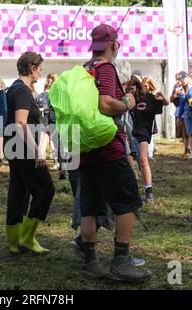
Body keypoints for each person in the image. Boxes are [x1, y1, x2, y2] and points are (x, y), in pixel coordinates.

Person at [77, 24, 152, 283]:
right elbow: (106, 103)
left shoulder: (85, 69)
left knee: (89, 206)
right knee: (127, 201)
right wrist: (127, 103)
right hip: (108, 147)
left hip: (84, 148)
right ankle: (121, 262)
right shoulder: (105, 68)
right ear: (114, 44)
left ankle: (91, 263)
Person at [4, 52, 55, 255]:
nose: (40, 73)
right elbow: (21, 123)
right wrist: (38, 152)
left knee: (19, 193)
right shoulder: (23, 91)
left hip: (14, 148)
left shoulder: (12, 89)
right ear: (32, 67)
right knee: (46, 190)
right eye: (40, 68)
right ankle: (27, 237)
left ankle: (14, 242)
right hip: (24, 149)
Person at [127, 76, 169, 203]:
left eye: (132, 89)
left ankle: (148, 190)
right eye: (128, 89)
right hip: (130, 132)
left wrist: (163, 97)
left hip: (144, 132)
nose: (130, 91)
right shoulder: (128, 98)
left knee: (143, 160)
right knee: (130, 162)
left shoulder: (149, 97)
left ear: (138, 87)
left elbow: (165, 103)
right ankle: (133, 190)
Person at [36, 73, 58, 170]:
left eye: (50, 80)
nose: (48, 82)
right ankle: (41, 159)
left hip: (54, 119)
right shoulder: (51, 92)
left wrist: (43, 110)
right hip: (49, 119)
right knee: (47, 138)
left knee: (52, 140)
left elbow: (53, 107)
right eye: (48, 79)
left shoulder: (56, 91)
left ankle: (55, 161)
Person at [170, 75, 190, 158]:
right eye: (177, 79)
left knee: (187, 133)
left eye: (179, 79)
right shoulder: (176, 87)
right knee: (183, 133)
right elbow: (170, 100)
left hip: (186, 112)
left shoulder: (187, 87)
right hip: (179, 111)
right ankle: (187, 149)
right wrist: (175, 94)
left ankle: (188, 150)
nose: (177, 81)